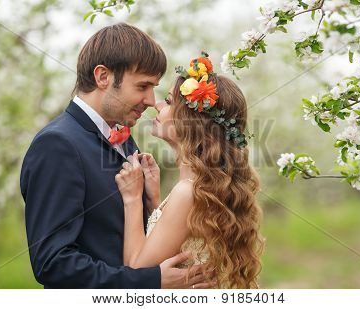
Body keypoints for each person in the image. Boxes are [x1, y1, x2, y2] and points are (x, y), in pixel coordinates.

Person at [20, 23, 211, 288]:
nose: (150, 100)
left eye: (153, 87)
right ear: (103, 77)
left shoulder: (126, 141)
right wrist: (148, 282)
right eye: (143, 86)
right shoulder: (57, 145)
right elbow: (53, 263)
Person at [115, 53, 264, 288]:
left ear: (192, 121)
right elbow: (182, 240)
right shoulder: (202, 187)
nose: (157, 104)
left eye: (169, 102)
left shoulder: (188, 191)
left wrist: (132, 199)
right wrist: (155, 202)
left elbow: (137, 272)